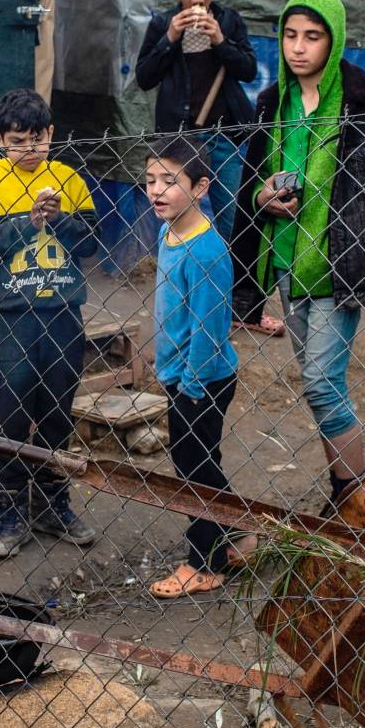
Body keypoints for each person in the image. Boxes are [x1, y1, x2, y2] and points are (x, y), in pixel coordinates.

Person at [232, 0, 365, 509]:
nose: (299, 47)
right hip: (283, 260)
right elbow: (251, 177)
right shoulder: (274, 102)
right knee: (321, 386)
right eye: (291, 35)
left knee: (321, 383)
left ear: (334, 40)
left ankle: (354, 497)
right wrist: (262, 195)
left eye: (313, 37)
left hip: (336, 266)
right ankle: (347, 491)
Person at [0, 88, 98, 559]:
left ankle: (55, 504)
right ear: (0, 139)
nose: (29, 150)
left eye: (37, 140)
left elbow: (90, 242)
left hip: (63, 317)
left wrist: (59, 221)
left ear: (51, 135)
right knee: (13, 418)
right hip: (12, 320)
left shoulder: (69, 179)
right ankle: (10, 509)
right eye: (18, 141)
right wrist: (28, 221)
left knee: (59, 415)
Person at [142, 137, 253, 598]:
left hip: (201, 379)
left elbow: (209, 329)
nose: (157, 191)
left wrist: (189, 384)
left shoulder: (206, 251)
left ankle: (204, 564)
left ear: (202, 187)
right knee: (198, 463)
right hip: (181, 374)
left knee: (193, 470)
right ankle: (238, 533)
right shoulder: (171, 232)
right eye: (150, 180)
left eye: (170, 181)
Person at [134, 0, 259, 241]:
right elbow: (144, 77)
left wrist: (220, 40)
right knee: (179, 214)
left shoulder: (229, 21)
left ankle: (236, 279)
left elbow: (248, 70)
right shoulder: (163, 23)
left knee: (233, 215)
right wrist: (170, 37)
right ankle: (183, 271)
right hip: (178, 140)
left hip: (221, 136)